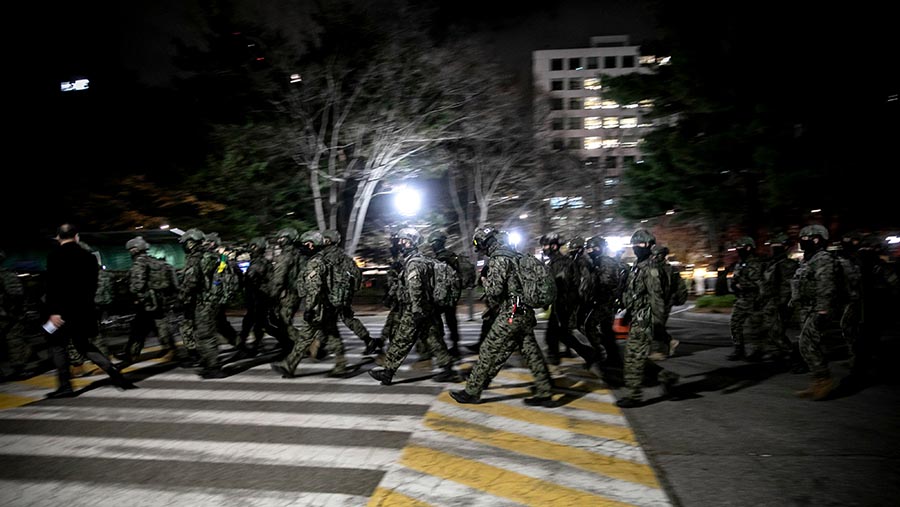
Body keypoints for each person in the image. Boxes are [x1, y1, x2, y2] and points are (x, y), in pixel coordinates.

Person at [450, 227, 555, 406]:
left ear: (485, 243)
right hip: (524, 312)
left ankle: (471, 392)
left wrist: (484, 281)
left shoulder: (499, 259)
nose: (481, 251)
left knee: (488, 350)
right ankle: (545, 390)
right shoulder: (514, 254)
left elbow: (494, 290)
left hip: (511, 313)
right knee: (531, 353)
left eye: (480, 246)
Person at [43, 224, 137, 398]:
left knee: (57, 346)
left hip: (62, 311)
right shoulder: (88, 257)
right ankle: (114, 373)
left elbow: (53, 286)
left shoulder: (54, 256)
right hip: (84, 310)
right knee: (84, 345)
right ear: (76, 236)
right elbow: (92, 286)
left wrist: (55, 311)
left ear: (58, 237)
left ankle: (65, 386)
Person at [367, 227, 460, 386]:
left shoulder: (414, 263)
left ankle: (388, 372)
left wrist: (416, 309)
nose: (400, 243)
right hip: (428, 308)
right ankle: (448, 369)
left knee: (402, 339)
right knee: (434, 339)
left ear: (412, 242)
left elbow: (415, 287)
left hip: (415, 308)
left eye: (404, 241)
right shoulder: (422, 260)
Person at [615, 229, 680, 408]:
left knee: (632, 357)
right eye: (634, 244)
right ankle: (667, 377)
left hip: (646, 318)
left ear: (650, 245)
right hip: (636, 315)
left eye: (641, 244)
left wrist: (657, 323)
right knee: (637, 356)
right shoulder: (638, 265)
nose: (637, 248)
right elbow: (635, 293)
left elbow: (656, 297)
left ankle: (634, 395)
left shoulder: (651, 268)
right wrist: (628, 311)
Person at [270, 231, 347, 378]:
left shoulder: (315, 263)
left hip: (319, 305)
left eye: (306, 244)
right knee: (332, 334)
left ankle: (289, 365)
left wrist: (310, 308)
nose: (303, 247)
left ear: (311, 244)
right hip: (330, 303)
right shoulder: (327, 259)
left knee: (307, 335)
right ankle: (340, 364)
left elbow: (314, 288)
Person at [791, 224, 842, 400]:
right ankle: (817, 381)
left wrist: (822, 310)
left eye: (805, 239)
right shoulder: (808, 259)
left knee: (806, 343)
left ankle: (824, 379)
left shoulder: (823, 259)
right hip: (806, 307)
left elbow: (826, 286)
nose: (801, 242)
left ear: (816, 239)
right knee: (813, 344)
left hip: (818, 308)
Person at [540, 232, 599, 370]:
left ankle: (589, 354)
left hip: (564, 304)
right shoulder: (554, 262)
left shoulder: (561, 263)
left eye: (546, 246)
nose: (544, 249)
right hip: (560, 303)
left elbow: (559, 285)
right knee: (554, 334)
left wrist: (547, 299)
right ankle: (556, 358)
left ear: (554, 246)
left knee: (560, 334)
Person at [178, 228, 228, 379]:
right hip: (211, 301)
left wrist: (181, 297)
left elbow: (192, 281)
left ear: (191, 243)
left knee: (205, 335)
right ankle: (209, 363)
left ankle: (214, 368)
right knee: (206, 334)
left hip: (203, 302)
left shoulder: (196, 257)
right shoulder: (211, 256)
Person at [121, 236, 179, 363]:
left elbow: (137, 285)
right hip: (159, 300)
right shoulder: (154, 261)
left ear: (135, 250)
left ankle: (132, 354)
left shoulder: (139, 262)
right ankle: (168, 350)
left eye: (131, 249)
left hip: (146, 302)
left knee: (140, 328)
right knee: (157, 326)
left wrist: (134, 295)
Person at [321, 229, 379, 354]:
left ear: (328, 240)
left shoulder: (325, 256)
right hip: (343, 295)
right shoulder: (344, 256)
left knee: (326, 321)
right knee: (348, 319)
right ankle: (369, 340)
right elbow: (357, 273)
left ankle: (324, 348)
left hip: (331, 295)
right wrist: (353, 290)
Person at [578, 236, 626, 383]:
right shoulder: (596, 262)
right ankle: (613, 358)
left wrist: (595, 296)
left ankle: (599, 354)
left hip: (605, 302)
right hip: (601, 301)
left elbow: (607, 284)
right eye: (589, 248)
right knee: (607, 331)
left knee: (589, 325)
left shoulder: (606, 262)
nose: (590, 251)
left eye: (593, 248)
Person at [759, 233, 802, 371]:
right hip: (770, 303)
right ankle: (781, 356)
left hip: (780, 303)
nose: (773, 248)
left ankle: (795, 358)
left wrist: (783, 304)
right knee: (771, 332)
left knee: (776, 333)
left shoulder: (788, 265)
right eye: (772, 246)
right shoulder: (771, 263)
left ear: (784, 247)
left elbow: (788, 286)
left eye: (777, 246)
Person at [426, 230, 466, 358]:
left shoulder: (436, 259)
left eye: (433, 243)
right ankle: (455, 346)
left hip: (438, 296)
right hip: (452, 295)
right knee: (451, 321)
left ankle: (439, 348)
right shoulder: (453, 256)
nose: (432, 246)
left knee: (435, 322)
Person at [727, 237, 765, 361]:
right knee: (735, 324)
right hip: (741, 299)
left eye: (741, 247)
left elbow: (758, 283)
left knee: (755, 327)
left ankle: (758, 350)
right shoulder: (740, 263)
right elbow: (735, 279)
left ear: (749, 247)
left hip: (754, 299)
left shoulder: (756, 263)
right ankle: (739, 349)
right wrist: (734, 285)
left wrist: (741, 285)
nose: (738, 250)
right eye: (737, 248)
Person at [237, 237, 275, 357]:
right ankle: (256, 344)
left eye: (252, 246)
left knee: (251, 322)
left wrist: (238, 272)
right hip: (261, 296)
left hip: (257, 296)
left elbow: (248, 278)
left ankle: (247, 346)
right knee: (260, 322)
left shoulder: (257, 263)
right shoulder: (264, 262)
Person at [1, 249, 34, 379]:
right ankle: (19, 369)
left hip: (6, 313)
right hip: (8, 314)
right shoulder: (6, 274)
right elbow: (16, 294)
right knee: (14, 340)